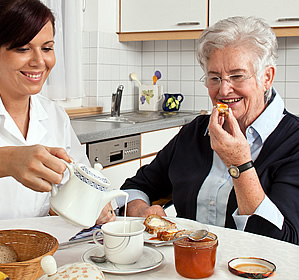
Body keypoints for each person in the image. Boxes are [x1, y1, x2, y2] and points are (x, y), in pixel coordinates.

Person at [118, 16, 299, 245]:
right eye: (215, 77)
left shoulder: (294, 142)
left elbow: (285, 243)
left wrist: (239, 164)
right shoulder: (195, 132)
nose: (223, 89)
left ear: (267, 78)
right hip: (186, 267)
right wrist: (140, 211)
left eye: (237, 76)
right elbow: (135, 187)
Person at [0, 0, 115, 224]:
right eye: (23, 48)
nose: (39, 61)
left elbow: (80, 178)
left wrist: (96, 204)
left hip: (41, 249)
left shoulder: (54, 115)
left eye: (47, 48)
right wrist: (7, 161)